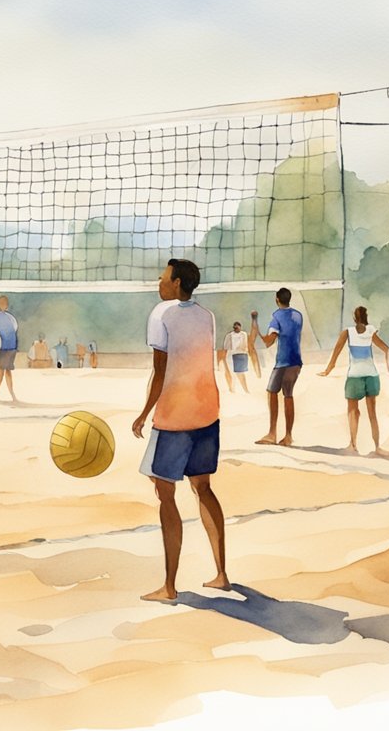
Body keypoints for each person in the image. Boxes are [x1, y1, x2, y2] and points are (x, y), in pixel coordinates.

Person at [132, 258, 228, 602]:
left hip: (174, 418)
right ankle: (221, 574)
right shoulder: (207, 316)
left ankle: (169, 587)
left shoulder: (161, 314)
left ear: (176, 284)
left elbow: (160, 373)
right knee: (203, 489)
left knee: (165, 494)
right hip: (207, 413)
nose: (159, 281)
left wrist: (143, 414)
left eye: (163, 277)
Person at [319, 306, 389, 455]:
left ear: (354, 318)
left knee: (353, 411)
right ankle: (377, 446)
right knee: (372, 413)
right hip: (372, 375)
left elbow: (336, 353)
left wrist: (328, 370)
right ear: (366, 316)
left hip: (355, 376)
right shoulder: (371, 330)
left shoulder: (348, 332)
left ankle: (353, 445)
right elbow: (386, 349)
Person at [250, 288, 304, 446]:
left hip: (283, 361)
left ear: (277, 300)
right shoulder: (298, 315)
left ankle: (272, 433)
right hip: (296, 361)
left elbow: (268, 342)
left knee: (272, 391)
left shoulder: (276, 317)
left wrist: (256, 328)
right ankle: (288, 436)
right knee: (288, 395)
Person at [0, 296, 18, 403]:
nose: (3, 305)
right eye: (2, 303)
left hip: (8, 348)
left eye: (4, 303)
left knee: (5, 371)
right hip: (9, 347)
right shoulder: (9, 318)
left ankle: (2, 395)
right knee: (3, 371)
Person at [223, 321, 251, 393]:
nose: (236, 328)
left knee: (241, 373)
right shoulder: (229, 335)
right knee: (232, 373)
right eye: (235, 327)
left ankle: (245, 390)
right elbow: (226, 347)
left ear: (240, 327)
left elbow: (244, 345)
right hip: (232, 355)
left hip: (241, 355)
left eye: (237, 327)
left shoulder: (243, 334)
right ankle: (232, 389)